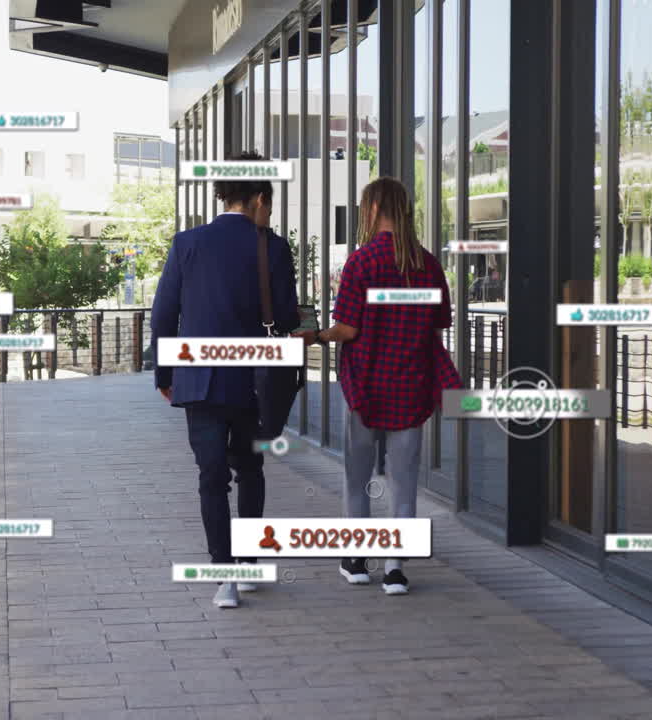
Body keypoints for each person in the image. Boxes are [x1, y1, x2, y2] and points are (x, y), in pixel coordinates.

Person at [151, 150, 300, 609]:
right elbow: (290, 317)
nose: (268, 213)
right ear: (258, 197)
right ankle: (250, 565)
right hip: (255, 385)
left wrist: (165, 372)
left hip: (201, 382)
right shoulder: (272, 247)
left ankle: (225, 578)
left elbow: (163, 314)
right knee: (251, 470)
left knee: (211, 477)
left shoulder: (187, 243)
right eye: (269, 204)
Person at [298, 177, 460, 596]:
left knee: (357, 476)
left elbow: (348, 329)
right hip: (412, 387)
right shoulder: (428, 264)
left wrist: (316, 336)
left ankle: (356, 560)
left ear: (371, 210)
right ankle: (394, 569)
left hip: (367, 387)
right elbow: (439, 327)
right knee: (404, 481)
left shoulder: (362, 262)